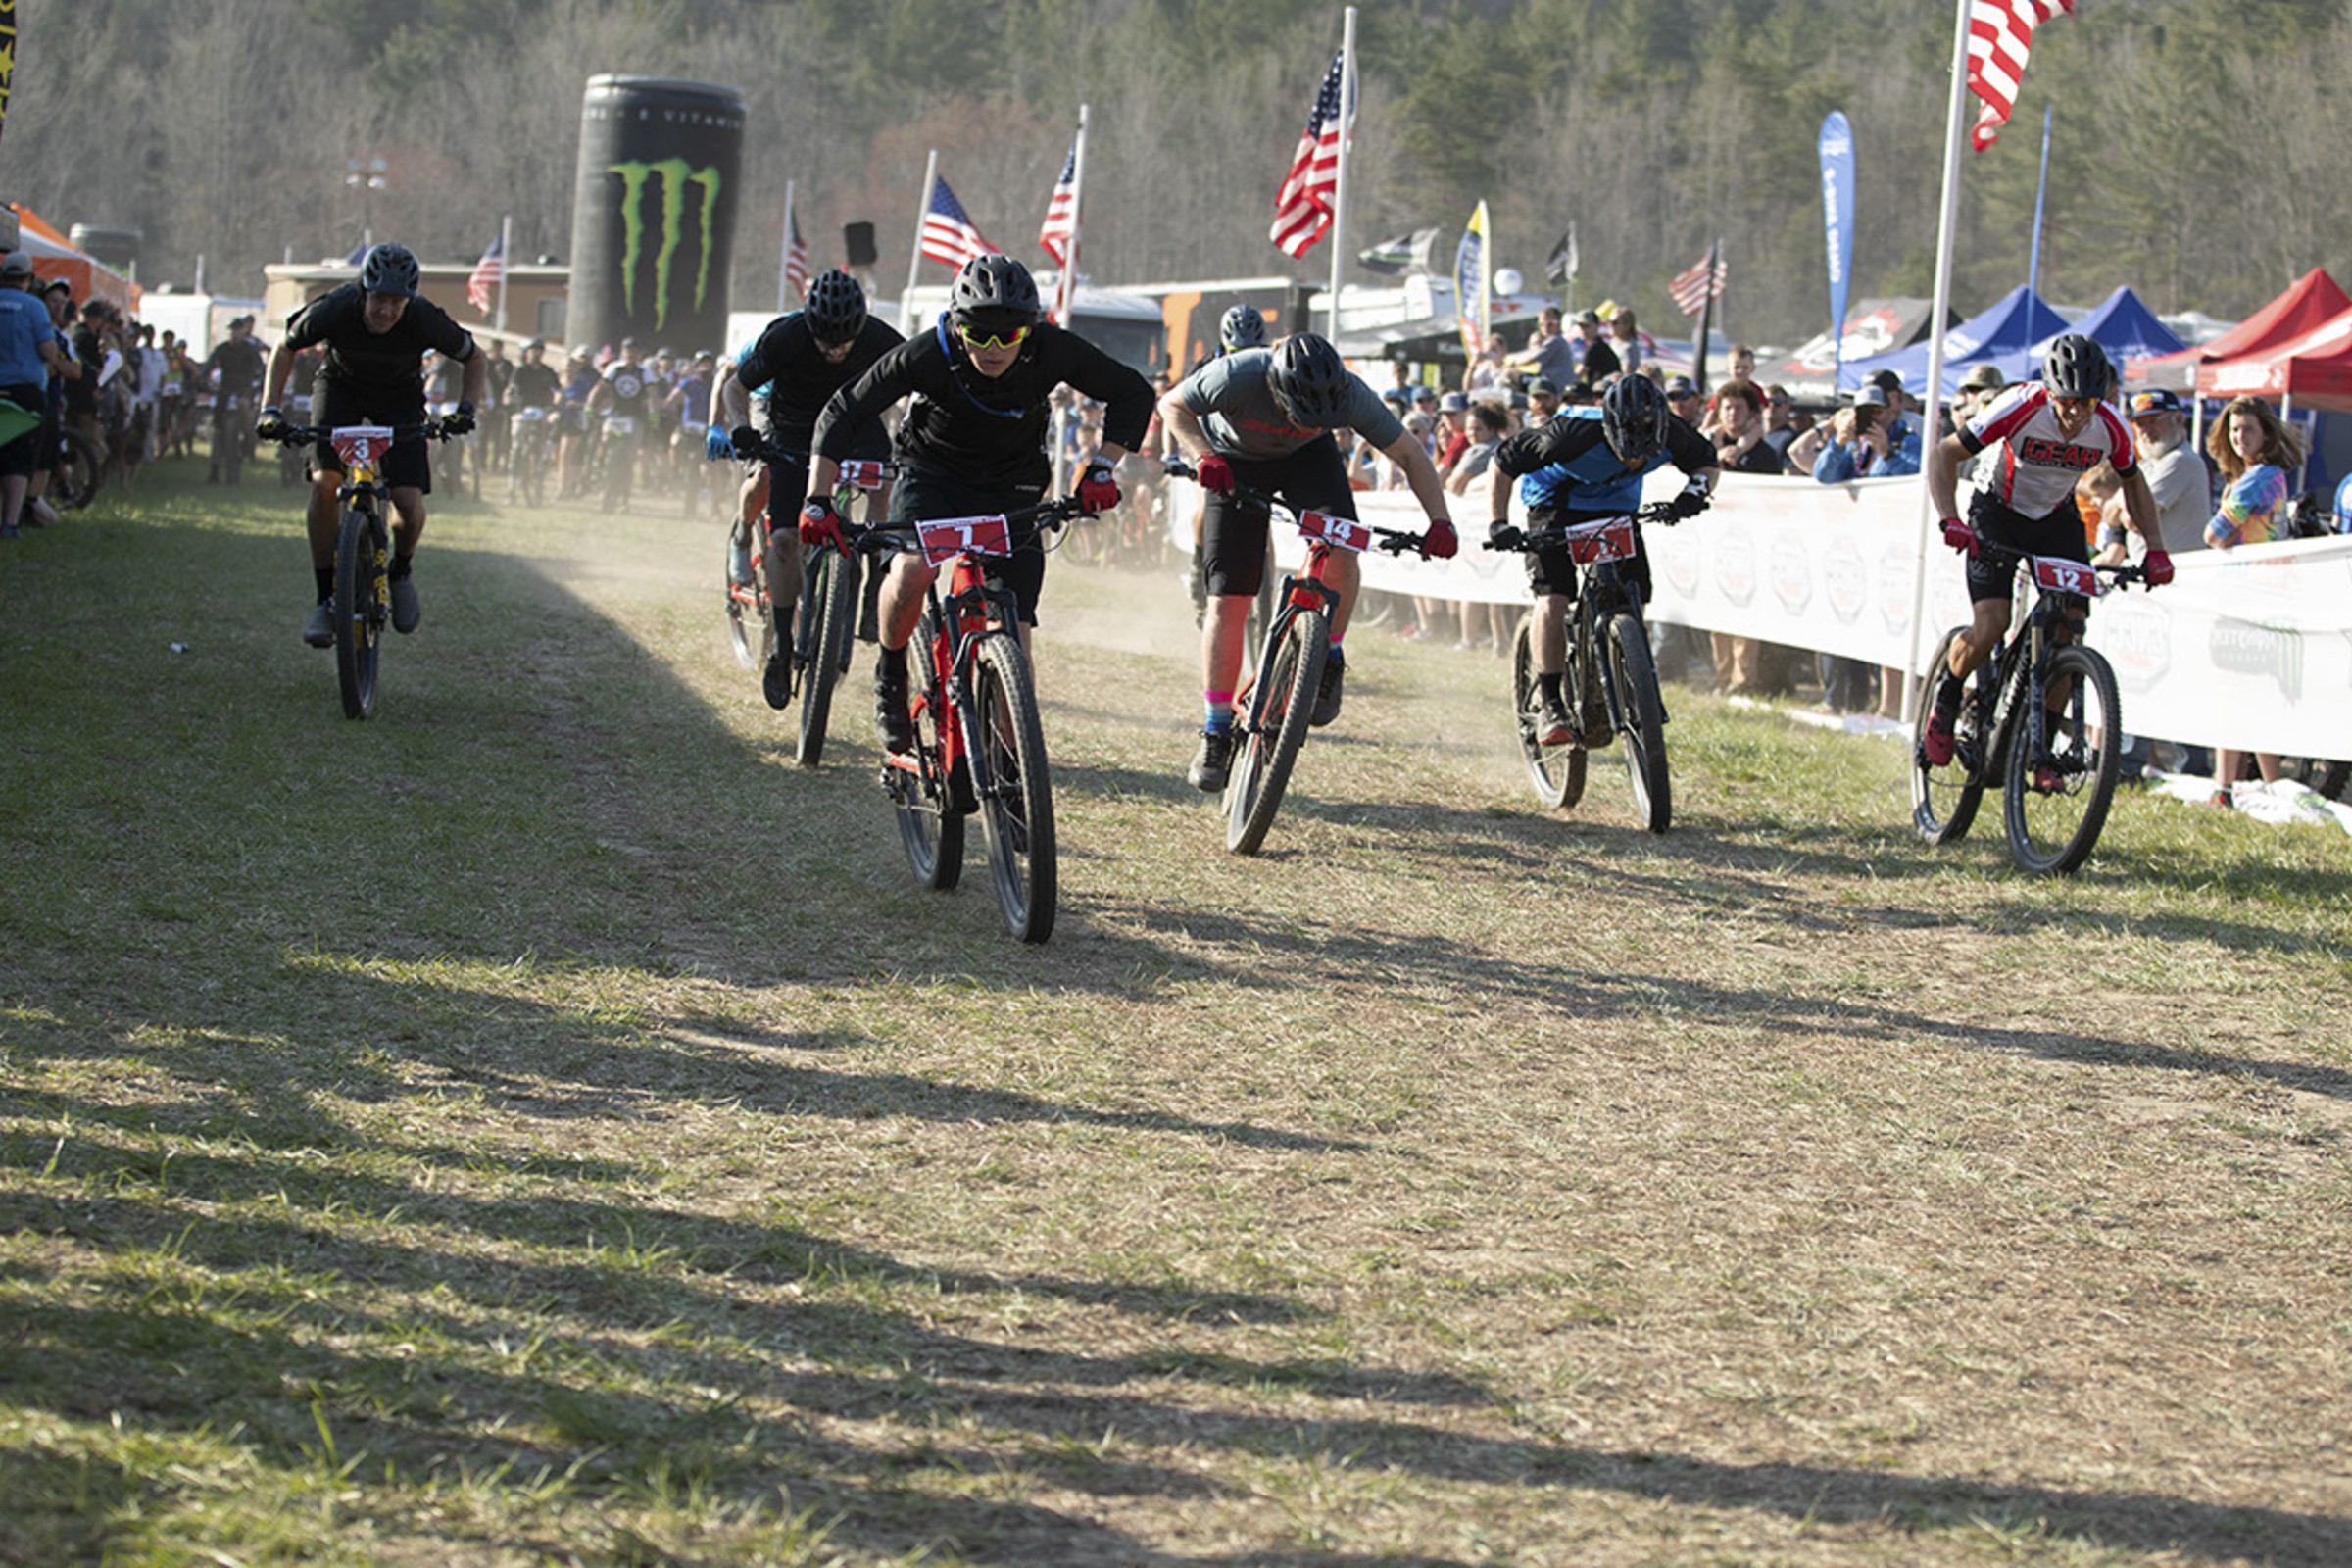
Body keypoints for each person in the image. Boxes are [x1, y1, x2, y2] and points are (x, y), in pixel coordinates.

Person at [805, 254, 1153, 754]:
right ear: (956, 324)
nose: (993, 349)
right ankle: (891, 671)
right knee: (912, 572)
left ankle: (1013, 778)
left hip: (1012, 486)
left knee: (1016, 632)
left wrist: (1102, 466)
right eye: (979, 335)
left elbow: (1132, 393)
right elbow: (843, 409)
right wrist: (817, 497)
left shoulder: (1050, 348)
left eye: (1008, 337)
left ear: (1028, 333)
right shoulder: (926, 353)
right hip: (933, 475)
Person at [1161, 330, 1458, 789]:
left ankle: (1331, 653)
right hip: (1233, 458)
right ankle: (1216, 729)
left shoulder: (1351, 393)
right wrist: (1204, 455)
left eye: (1315, 418)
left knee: (1344, 545)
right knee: (1230, 598)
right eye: (1296, 415)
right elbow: (1172, 406)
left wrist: (1440, 521)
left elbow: (1408, 453)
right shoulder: (1239, 375)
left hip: (1307, 462)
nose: (1302, 423)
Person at [1919, 334, 2167, 768]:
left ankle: (2042, 748)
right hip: (1996, 509)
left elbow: (2134, 484)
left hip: (2055, 517)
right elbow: (1945, 454)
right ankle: (1949, 694)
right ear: (2050, 393)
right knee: (1993, 622)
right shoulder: (2019, 406)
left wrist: (2158, 550)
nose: (2074, 413)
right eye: (2066, 401)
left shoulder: (2110, 426)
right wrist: (1949, 518)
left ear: (2100, 399)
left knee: (2069, 629)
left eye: (2085, 403)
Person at [256, 242, 485, 647]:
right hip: (340, 388)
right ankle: (325, 598)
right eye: (379, 298)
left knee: (408, 501)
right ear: (363, 291)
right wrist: (269, 409)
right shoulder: (337, 308)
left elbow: (475, 357)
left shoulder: (424, 318)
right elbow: (285, 347)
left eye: (396, 302)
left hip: (399, 398)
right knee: (325, 483)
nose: (386, 310)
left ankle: (400, 571)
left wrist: (466, 408)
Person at [1485, 374, 1718, 745]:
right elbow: (1502, 462)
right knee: (1555, 598)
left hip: (1614, 508)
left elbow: (1708, 463)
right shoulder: (1568, 434)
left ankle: (1629, 674)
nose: (1634, 458)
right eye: (1625, 449)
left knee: (1633, 594)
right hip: (1555, 504)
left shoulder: (1672, 431)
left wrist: (1692, 494)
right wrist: (1499, 523)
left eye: (1644, 452)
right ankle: (1551, 704)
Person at [717, 269, 904, 708]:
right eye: (825, 340)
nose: (835, 349)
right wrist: (741, 429)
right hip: (795, 430)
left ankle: (875, 569)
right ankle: (782, 645)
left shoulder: (880, 337)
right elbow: (734, 386)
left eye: (844, 341)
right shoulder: (786, 337)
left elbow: (920, 383)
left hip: (856, 425)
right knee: (784, 540)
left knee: (886, 480)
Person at [2200, 394, 2308, 801]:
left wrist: (2224, 532)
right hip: (2242, 598)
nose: (2239, 437)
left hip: (2255, 598)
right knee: (2239, 694)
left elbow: (2214, 534)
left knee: (2248, 694)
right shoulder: (2253, 477)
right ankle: (2234, 786)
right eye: (2233, 430)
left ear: (2266, 433)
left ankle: (2256, 784)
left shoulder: (2261, 477)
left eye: (2247, 429)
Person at [0, 251, 69, 537]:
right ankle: (10, 523)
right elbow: (47, 351)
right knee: (18, 459)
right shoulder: (34, 307)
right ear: (28, 278)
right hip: (24, 392)